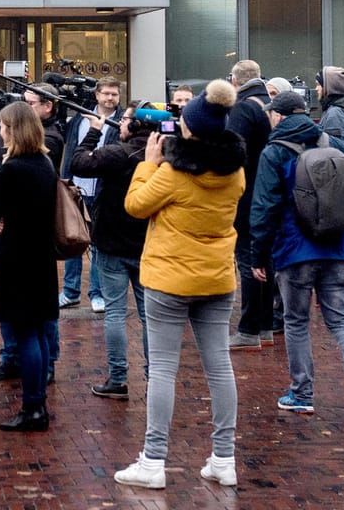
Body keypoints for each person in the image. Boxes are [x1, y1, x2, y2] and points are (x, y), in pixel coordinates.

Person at [116, 80, 246, 490]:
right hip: (217, 277)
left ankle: (153, 461)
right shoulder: (235, 172)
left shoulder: (172, 172)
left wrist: (148, 162)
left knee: (163, 371)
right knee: (219, 366)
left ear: (190, 128)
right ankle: (224, 458)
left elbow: (135, 205)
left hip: (169, 279)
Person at [250, 91, 344, 426]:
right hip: (339, 248)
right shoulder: (330, 142)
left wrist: (258, 255)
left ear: (278, 117)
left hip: (294, 251)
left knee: (296, 322)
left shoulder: (274, 151)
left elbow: (264, 207)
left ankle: (301, 394)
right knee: (341, 320)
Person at [0, 102, 59, 432]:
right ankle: (37, 402)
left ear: (14, 129)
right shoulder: (45, 162)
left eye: (3, 126)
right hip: (41, 256)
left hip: (16, 257)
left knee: (26, 333)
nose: (0, 132)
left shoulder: (13, 168)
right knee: (38, 331)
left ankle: (32, 407)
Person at [69, 101, 154, 401]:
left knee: (115, 312)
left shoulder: (120, 153)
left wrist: (92, 132)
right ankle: (154, 376)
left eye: (125, 120)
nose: (119, 123)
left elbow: (78, 163)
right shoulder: (162, 154)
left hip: (111, 242)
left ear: (135, 125)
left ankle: (118, 378)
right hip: (147, 243)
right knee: (149, 316)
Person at [60, 75, 123, 313]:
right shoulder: (79, 117)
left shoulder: (122, 121)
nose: (110, 98)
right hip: (76, 187)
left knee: (97, 245)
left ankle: (97, 293)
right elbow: (71, 149)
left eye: (114, 94)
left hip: (102, 191)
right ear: (96, 94)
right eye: (105, 93)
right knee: (71, 239)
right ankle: (70, 291)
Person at [226, 59, 275, 350]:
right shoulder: (268, 104)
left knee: (248, 259)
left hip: (248, 196)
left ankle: (248, 330)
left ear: (235, 80)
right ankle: (266, 326)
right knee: (264, 260)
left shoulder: (244, 107)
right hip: (268, 193)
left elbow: (234, 149)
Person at [316, 66, 344, 154]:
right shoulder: (336, 108)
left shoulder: (335, 113)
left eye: (318, 84)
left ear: (328, 87)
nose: (316, 89)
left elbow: (335, 152)